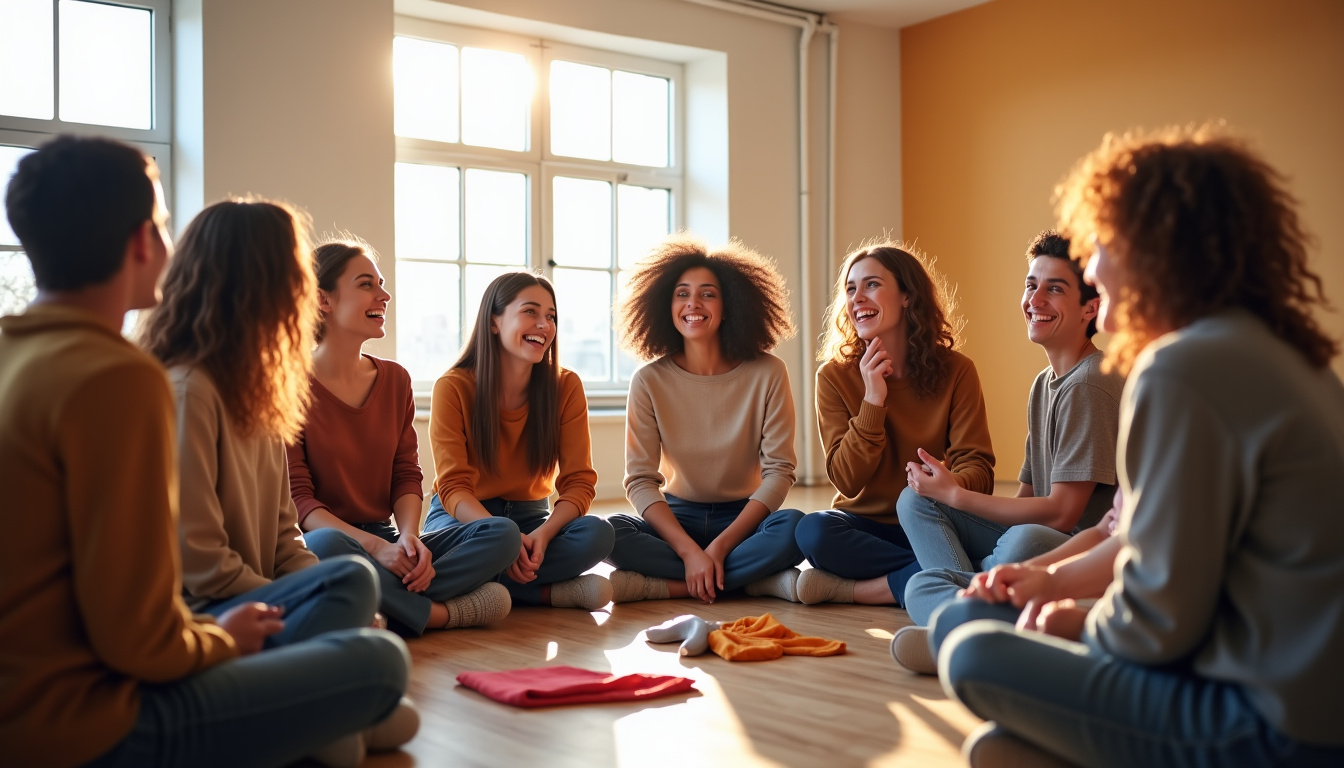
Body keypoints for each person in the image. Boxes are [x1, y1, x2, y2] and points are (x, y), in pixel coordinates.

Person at [938, 126, 1344, 767]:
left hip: (1269, 724)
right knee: (988, 692)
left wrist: (1077, 622)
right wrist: (1049, 580)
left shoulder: (1182, 367)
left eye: (1100, 244)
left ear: (1154, 251)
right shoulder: (1299, 361)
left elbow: (1157, 621)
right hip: (1306, 699)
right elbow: (1144, 544)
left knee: (969, 647)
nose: (1093, 267)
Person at [0, 136, 409, 768]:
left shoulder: (19, 352)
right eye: (163, 225)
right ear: (142, 243)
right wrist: (220, 639)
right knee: (378, 666)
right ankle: (321, 720)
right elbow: (142, 632)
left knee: (349, 592)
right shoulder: (124, 379)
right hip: (87, 719)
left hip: (56, 691)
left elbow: (281, 540)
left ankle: (320, 721)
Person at [141, 202, 384, 651]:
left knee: (370, 631)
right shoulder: (189, 390)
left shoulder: (263, 392)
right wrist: (305, 601)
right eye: (295, 274)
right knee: (357, 593)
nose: (304, 291)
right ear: (255, 283)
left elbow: (285, 539)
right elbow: (201, 561)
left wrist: (317, 592)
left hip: (257, 601)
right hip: (208, 617)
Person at [890, 231, 1124, 670]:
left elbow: (1062, 515)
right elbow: (1025, 498)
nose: (1035, 299)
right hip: (1033, 540)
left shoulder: (1091, 382)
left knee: (1021, 539)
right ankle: (972, 613)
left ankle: (957, 623)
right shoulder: (1043, 384)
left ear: (1090, 308)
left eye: (1055, 289)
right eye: (1031, 285)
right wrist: (947, 496)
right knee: (915, 505)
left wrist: (957, 496)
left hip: (1071, 547)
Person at [290, 240, 520, 635]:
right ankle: (440, 614)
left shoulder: (396, 379)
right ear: (323, 300)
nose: (384, 295)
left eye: (381, 284)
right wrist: (377, 549)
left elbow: (406, 474)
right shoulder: (288, 386)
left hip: (388, 537)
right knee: (324, 547)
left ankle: (377, 603)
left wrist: (409, 540)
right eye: (366, 284)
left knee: (503, 533)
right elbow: (301, 501)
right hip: (333, 540)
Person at [605, 236, 804, 604]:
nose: (693, 303)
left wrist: (719, 547)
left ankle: (667, 586)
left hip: (743, 518)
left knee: (796, 528)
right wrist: (688, 551)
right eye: (682, 294)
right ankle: (751, 583)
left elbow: (779, 471)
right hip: (677, 518)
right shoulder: (648, 380)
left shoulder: (769, 372)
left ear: (730, 306)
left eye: (708, 294)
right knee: (609, 533)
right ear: (665, 306)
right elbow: (640, 480)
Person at [794, 242, 995, 606]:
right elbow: (846, 479)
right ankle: (959, 573)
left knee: (992, 534)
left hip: (931, 518)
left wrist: (949, 484)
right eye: (850, 289)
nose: (857, 298)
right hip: (864, 527)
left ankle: (864, 590)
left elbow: (978, 469)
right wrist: (873, 400)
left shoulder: (957, 370)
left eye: (871, 284)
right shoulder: (833, 376)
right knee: (813, 531)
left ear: (907, 296)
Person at [425, 271, 614, 612]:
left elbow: (579, 483)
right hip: (464, 517)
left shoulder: (566, 386)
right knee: (492, 540)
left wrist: (543, 535)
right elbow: (453, 487)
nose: (544, 324)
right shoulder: (453, 387)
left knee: (598, 534)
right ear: (494, 322)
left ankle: (482, 589)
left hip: (531, 518)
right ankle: (545, 593)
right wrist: (503, 539)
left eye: (551, 316)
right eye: (530, 311)